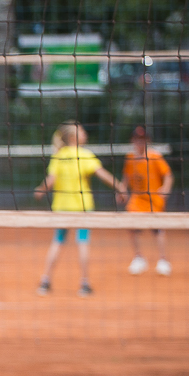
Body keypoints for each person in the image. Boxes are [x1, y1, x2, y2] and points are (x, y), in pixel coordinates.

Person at [33, 121, 118, 298]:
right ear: (73, 137)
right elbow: (102, 174)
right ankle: (84, 284)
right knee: (83, 242)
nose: (85, 133)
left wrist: (40, 190)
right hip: (82, 207)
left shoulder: (59, 155)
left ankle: (45, 281)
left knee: (58, 241)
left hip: (62, 207)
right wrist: (120, 186)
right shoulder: (84, 155)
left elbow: (51, 180)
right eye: (82, 131)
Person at [121, 125, 173, 276]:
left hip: (153, 198)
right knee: (131, 226)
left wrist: (165, 189)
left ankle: (163, 260)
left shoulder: (155, 156)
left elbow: (168, 175)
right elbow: (127, 176)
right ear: (132, 140)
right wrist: (122, 189)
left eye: (142, 139)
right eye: (137, 139)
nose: (140, 142)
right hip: (137, 199)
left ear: (147, 141)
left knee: (158, 230)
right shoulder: (130, 157)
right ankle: (138, 258)